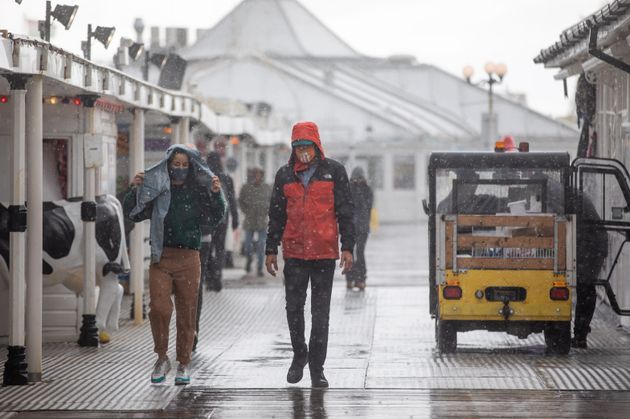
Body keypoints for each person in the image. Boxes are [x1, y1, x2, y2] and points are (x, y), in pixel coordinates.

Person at [123, 144, 226, 386]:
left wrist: (216, 193)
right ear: (168, 166)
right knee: (159, 307)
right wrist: (134, 188)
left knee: (187, 311)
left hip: (190, 258)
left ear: (191, 167)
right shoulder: (158, 189)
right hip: (161, 257)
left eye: (184, 165)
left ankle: (183, 362)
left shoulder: (199, 191)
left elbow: (216, 216)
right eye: (175, 164)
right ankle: (161, 356)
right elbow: (133, 212)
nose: (179, 169)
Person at [265, 121, 355, 388]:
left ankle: (317, 368)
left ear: (317, 146)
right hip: (294, 254)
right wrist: (271, 249)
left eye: (307, 146)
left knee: (320, 313)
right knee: (293, 309)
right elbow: (276, 215)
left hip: (324, 255)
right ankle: (299, 355)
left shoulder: (334, 172)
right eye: (298, 147)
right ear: (293, 149)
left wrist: (348, 246)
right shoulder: (284, 175)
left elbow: (346, 211)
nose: (303, 151)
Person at [573, 191, 608, 348]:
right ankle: (580, 334)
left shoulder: (564, 196)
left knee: (585, 288)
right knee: (585, 288)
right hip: (590, 246)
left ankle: (580, 335)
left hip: (590, 248)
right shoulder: (572, 194)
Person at [202, 151, 239, 291]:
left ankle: (210, 275)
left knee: (207, 248)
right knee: (220, 248)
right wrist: (235, 219)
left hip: (207, 219)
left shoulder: (204, 176)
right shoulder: (226, 178)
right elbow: (232, 200)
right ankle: (217, 275)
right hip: (223, 218)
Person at [238, 166, 272, 277]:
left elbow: (272, 201)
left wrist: (267, 211)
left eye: (259, 174)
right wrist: (246, 211)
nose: (257, 177)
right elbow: (240, 201)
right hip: (249, 221)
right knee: (248, 246)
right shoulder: (246, 188)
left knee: (261, 246)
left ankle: (259, 268)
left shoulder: (266, 188)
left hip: (262, 221)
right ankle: (249, 259)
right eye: (255, 174)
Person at [345, 167, 374, 290]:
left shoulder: (367, 190)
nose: (357, 180)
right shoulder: (348, 189)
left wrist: (359, 188)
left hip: (362, 227)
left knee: (360, 252)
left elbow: (366, 206)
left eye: (359, 178)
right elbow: (347, 206)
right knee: (349, 252)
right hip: (351, 227)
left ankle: (360, 278)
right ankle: (350, 278)